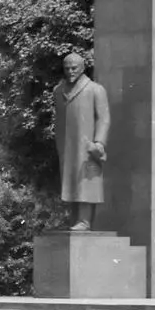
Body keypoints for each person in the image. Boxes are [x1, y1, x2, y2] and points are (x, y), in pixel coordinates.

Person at [52, 52, 110, 230]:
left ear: (83, 67)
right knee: (69, 180)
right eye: (67, 68)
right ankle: (74, 219)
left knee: (86, 181)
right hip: (67, 144)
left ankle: (85, 221)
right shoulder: (58, 91)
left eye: (74, 68)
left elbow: (104, 118)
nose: (70, 71)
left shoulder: (95, 89)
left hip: (87, 145)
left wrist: (99, 142)